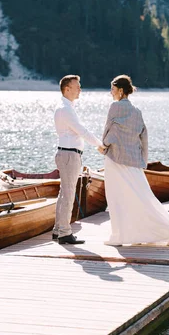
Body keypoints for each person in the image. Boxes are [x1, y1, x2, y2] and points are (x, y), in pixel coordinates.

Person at [102, 74, 169, 247]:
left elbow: (109, 131)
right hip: (133, 161)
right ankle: (166, 229)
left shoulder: (115, 107)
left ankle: (119, 236)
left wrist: (104, 145)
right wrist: (142, 161)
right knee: (142, 196)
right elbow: (143, 138)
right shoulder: (137, 112)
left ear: (121, 91)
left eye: (113, 89)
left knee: (117, 197)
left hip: (115, 159)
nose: (111, 93)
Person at [53, 75, 104, 244]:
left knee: (64, 193)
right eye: (77, 86)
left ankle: (58, 229)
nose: (80, 89)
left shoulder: (64, 108)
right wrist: (99, 145)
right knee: (68, 195)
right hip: (69, 155)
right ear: (67, 89)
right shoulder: (66, 109)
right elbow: (81, 130)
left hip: (66, 154)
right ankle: (64, 233)